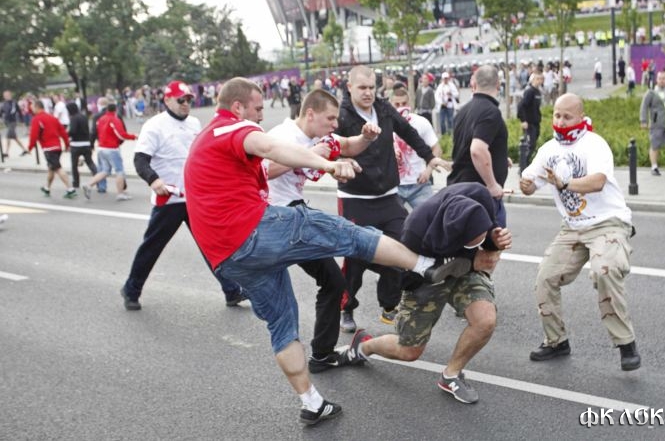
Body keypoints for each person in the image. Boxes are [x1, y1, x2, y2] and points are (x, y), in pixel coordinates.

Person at [182, 77, 471, 425]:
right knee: (348, 234)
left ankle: (312, 402)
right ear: (238, 107)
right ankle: (425, 265)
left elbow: (345, 144)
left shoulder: (217, 139)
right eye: (257, 109)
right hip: (259, 228)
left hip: (228, 257)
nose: (261, 116)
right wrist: (328, 165)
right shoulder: (234, 128)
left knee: (284, 320)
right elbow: (270, 150)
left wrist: (362, 140)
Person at [340, 183, 512, 404]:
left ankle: (451, 375)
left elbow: (488, 238)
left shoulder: (479, 196)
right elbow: (408, 277)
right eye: (472, 241)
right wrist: (471, 260)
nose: (478, 242)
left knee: (485, 320)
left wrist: (494, 242)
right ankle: (364, 346)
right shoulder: (414, 231)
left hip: (465, 270)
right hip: (424, 276)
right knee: (409, 351)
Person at [265, 88, 387, 373]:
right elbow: (265, 169)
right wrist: (311, 156)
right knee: (350, 246)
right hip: (278, 219)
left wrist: (366, 137)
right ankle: (402, 271)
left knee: (333, 280)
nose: (335, 124)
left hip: (294, 216)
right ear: (310, 114)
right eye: (330, 118)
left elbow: (348, 145)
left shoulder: (320, 137)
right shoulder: (283, 136)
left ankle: (321, 355)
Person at [520, 93, 641, 372]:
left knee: (604, 270)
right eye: (557, 115)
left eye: (567, 116)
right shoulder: (549, 149)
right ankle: (556, 341)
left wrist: (564, 184)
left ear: (580, 116)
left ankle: (626, 344)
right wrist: (527, 186)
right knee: (545, 278)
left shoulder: (594, 144)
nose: (561, 121)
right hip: (573, 227)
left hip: (608, 222)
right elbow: (531, 182)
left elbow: (597, 182)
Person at [335, 66, 450, 332]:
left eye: (371, 87)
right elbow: (325, 144)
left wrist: (429, 157)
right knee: (356, 258)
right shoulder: (341, 116)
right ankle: (346, 307)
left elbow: (408, 132)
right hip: (355, 199)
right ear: (350, 88)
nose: (368, 93)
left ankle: (389, 304)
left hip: (388, 197)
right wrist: (339, 160)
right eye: (362, 88)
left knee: (403, 247)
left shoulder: (384, 109)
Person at [117, 81, 246, 311]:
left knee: (211, 245)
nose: (186, 104)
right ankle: (131, 289)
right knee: (152, 247)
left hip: (195, 197)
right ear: (167, 100)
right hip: (170, 199)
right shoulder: (154, 126)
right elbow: (140, 160)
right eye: (181, 100)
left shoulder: (194, 123)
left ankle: (231, 290)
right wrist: (154, 180)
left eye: (189, 100)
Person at [447, 65, 509, 227]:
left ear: (474, 84)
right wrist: (492, 185)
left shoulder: (463, 111)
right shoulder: (490, 111)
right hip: (480, 195)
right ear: (498, 84)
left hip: (461, 188)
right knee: (494, 240)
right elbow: (477, 150)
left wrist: (500, 157)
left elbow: (466, 146)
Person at [390, 87, 443, 209]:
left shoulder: (421, 122)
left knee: (431, 216)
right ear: (391, 104)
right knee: (391, 220)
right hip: (394, 186)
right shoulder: (384, 123)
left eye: (404, 103)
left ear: (409, 103)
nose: (401, 107)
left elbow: (437, 149)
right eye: (397, 104)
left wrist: (428, 171)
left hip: (419, 185)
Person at [83, 100, 137, 200]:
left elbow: (95, 132)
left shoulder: (101, 119)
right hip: (112, 149)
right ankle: (120, 193)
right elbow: (121, 134)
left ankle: (89, 185)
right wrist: (134, 137)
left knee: (105, 171)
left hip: (101, 148)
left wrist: (92, 144)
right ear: (115, 110)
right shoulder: (115, 119)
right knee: (119, 171)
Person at [28, 100, 77, 198]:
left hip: (48, 148)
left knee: (57, 168)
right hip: (57, 147)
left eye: (32, 107)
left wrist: (30, 147)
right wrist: (66, 144)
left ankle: (70, 189)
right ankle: (47, 188)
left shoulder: (37, 119)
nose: (31, 109)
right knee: (51, 168)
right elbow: (63, 132)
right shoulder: (52, 118)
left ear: (37, 107)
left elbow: (34, 135)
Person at [516, 73, 544, 174]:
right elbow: (521, 106)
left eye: (540, 79)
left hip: (536, 122)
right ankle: (523, 166)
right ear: (532, 80)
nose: (539, 81)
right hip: (529, 123)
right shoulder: (529, 91)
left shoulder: (538, 92)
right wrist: (523, 120)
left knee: (533, 144)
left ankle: (527, 165)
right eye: (537, 79)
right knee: (530, 145)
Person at [66, 102, 96, 189]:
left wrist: (66, 134)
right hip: (86, 143)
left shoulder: (73, 118)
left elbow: (73, 131)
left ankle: (76, 183)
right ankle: (98, 178)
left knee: (74, 165)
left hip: (76, 144)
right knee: (90, 162)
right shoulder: (83, 117)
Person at [1, 90, 30, 159]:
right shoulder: (4, 104)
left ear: (10, 95)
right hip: (7, 122)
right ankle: (25, 150)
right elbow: (1, 112)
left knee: (8, 136)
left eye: (7, 95)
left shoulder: (14, 103)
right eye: (5, 95)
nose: (6, 96)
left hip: (13, 122)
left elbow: (19, 111)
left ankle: (6, 153)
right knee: (14, 138)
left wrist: (22, 121)